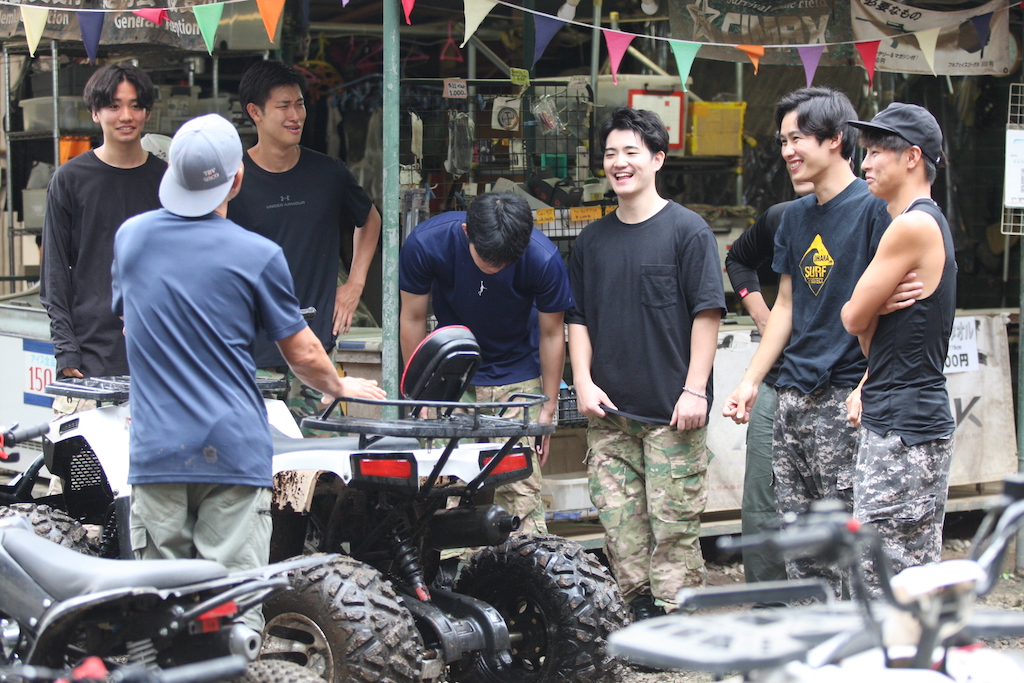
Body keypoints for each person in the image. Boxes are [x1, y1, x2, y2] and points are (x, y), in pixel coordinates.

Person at [112, 114, 385, 629]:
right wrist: (339, 383)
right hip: (232, 453)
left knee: (161, 613)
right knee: (233, 609)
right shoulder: (257, 254)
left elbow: (130, 325)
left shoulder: (132, 239)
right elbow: (303, 353)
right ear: (237, 179)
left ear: (171, 175)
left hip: (158, 450)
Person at [722, 87, 892, 599]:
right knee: (800, 544)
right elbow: (787, 307)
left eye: (797, 138)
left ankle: (857, 639)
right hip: (792, 397)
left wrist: (868, 383)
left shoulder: (875, 211)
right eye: (783, 141)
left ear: (836, 139)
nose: (787, 151)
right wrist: (750, 381)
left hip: (846, 398)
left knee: (848, 540)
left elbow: (894, 314)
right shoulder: (793, 217)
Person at [566, 107, 725, 619]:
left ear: (657, 159)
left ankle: (679, 627)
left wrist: (695, 389)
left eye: (631, 152)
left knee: (674, 533)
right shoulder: (592, 240)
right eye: (611, 153)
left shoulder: (688, 231)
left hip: (672, 416)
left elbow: (707, 313)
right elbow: (577, 318)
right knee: (621, 533)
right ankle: (638, 624)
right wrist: (582, 381)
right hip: (610, 417)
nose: (619, 162)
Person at [399, 192, 574, 538]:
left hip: (517, 370)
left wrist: (548, 406)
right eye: (488, 258)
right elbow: (413, 318)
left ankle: (523, 559)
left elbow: (553, 333)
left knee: (520, 487)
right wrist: (421, 393)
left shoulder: (543, 257)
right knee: (444, 483)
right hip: (452, 369)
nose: (496, 267)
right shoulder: (427, 243)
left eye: (505, 261)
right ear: (467, 231)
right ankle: (450, 564)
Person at [228, 60, 382, 432]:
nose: (296, 115)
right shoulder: (232, 180)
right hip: (249, 350)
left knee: (319, 453)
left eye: (299, 104)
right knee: (256, 453)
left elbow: (369, 219)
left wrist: (355, 285)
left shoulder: (328, 173)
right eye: (284, 106)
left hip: (314, 349)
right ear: (255, 112)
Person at [842, 103, 956, 595]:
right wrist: (874, 311)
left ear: (912, 157)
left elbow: (852, 317)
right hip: (898, 417)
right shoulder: (917, 222)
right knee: (898, 579)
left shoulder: (912, 225)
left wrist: (867, 309)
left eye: (875, 152)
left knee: (885, 583)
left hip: (905, 427)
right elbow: (870, 340)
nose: (864, 163)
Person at [40, 64, 165, 415]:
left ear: (147, 112)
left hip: (159, 358)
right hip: (89, 360)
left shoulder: (167, 180)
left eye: (136, 105)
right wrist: (66, 351)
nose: (126, 116)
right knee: (82, 452)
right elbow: (54, 274)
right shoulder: (69, 179)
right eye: (113, 105)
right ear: (95, 112)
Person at [725, 188, 803, 587]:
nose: (792, 157)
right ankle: (768, 604)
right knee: (762, 500)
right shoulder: (782, 216)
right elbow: (737, 259)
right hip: (777, 379)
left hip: (839, 385)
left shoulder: (869, 216)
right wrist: (761, 315)